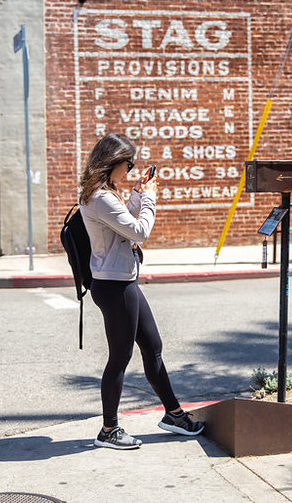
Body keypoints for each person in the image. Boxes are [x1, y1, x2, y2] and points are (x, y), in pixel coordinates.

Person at [78, 132, 204, 449]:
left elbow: (123, 224)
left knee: (153, 346)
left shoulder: (104, 194)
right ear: (112, 162)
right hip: (114, 285)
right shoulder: (101, 197)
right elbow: (139, 230)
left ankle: (173, 414)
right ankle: (109, 430)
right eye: (128, 164)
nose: (131, 170)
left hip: (122, 281)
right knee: (120, 357)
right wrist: (149, 198)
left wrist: (135, 196)